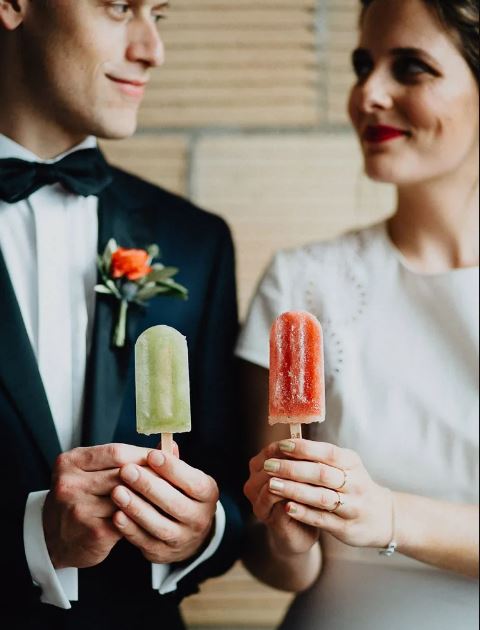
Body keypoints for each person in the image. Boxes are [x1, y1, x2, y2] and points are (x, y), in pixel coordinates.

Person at [0, 2, 244, 629]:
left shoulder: (196, 241)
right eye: (118, 7)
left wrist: (199, 531)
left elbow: (231, 479)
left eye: (159, 14)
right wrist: (35, 537)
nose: (152, 49)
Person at [236, 0, 479, 628]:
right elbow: (277, 565)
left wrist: (389, 514)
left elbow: (381, 514)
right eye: (363, 64)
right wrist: (287, 540)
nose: (368, 93)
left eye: (412, 68)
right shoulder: (302, 282)